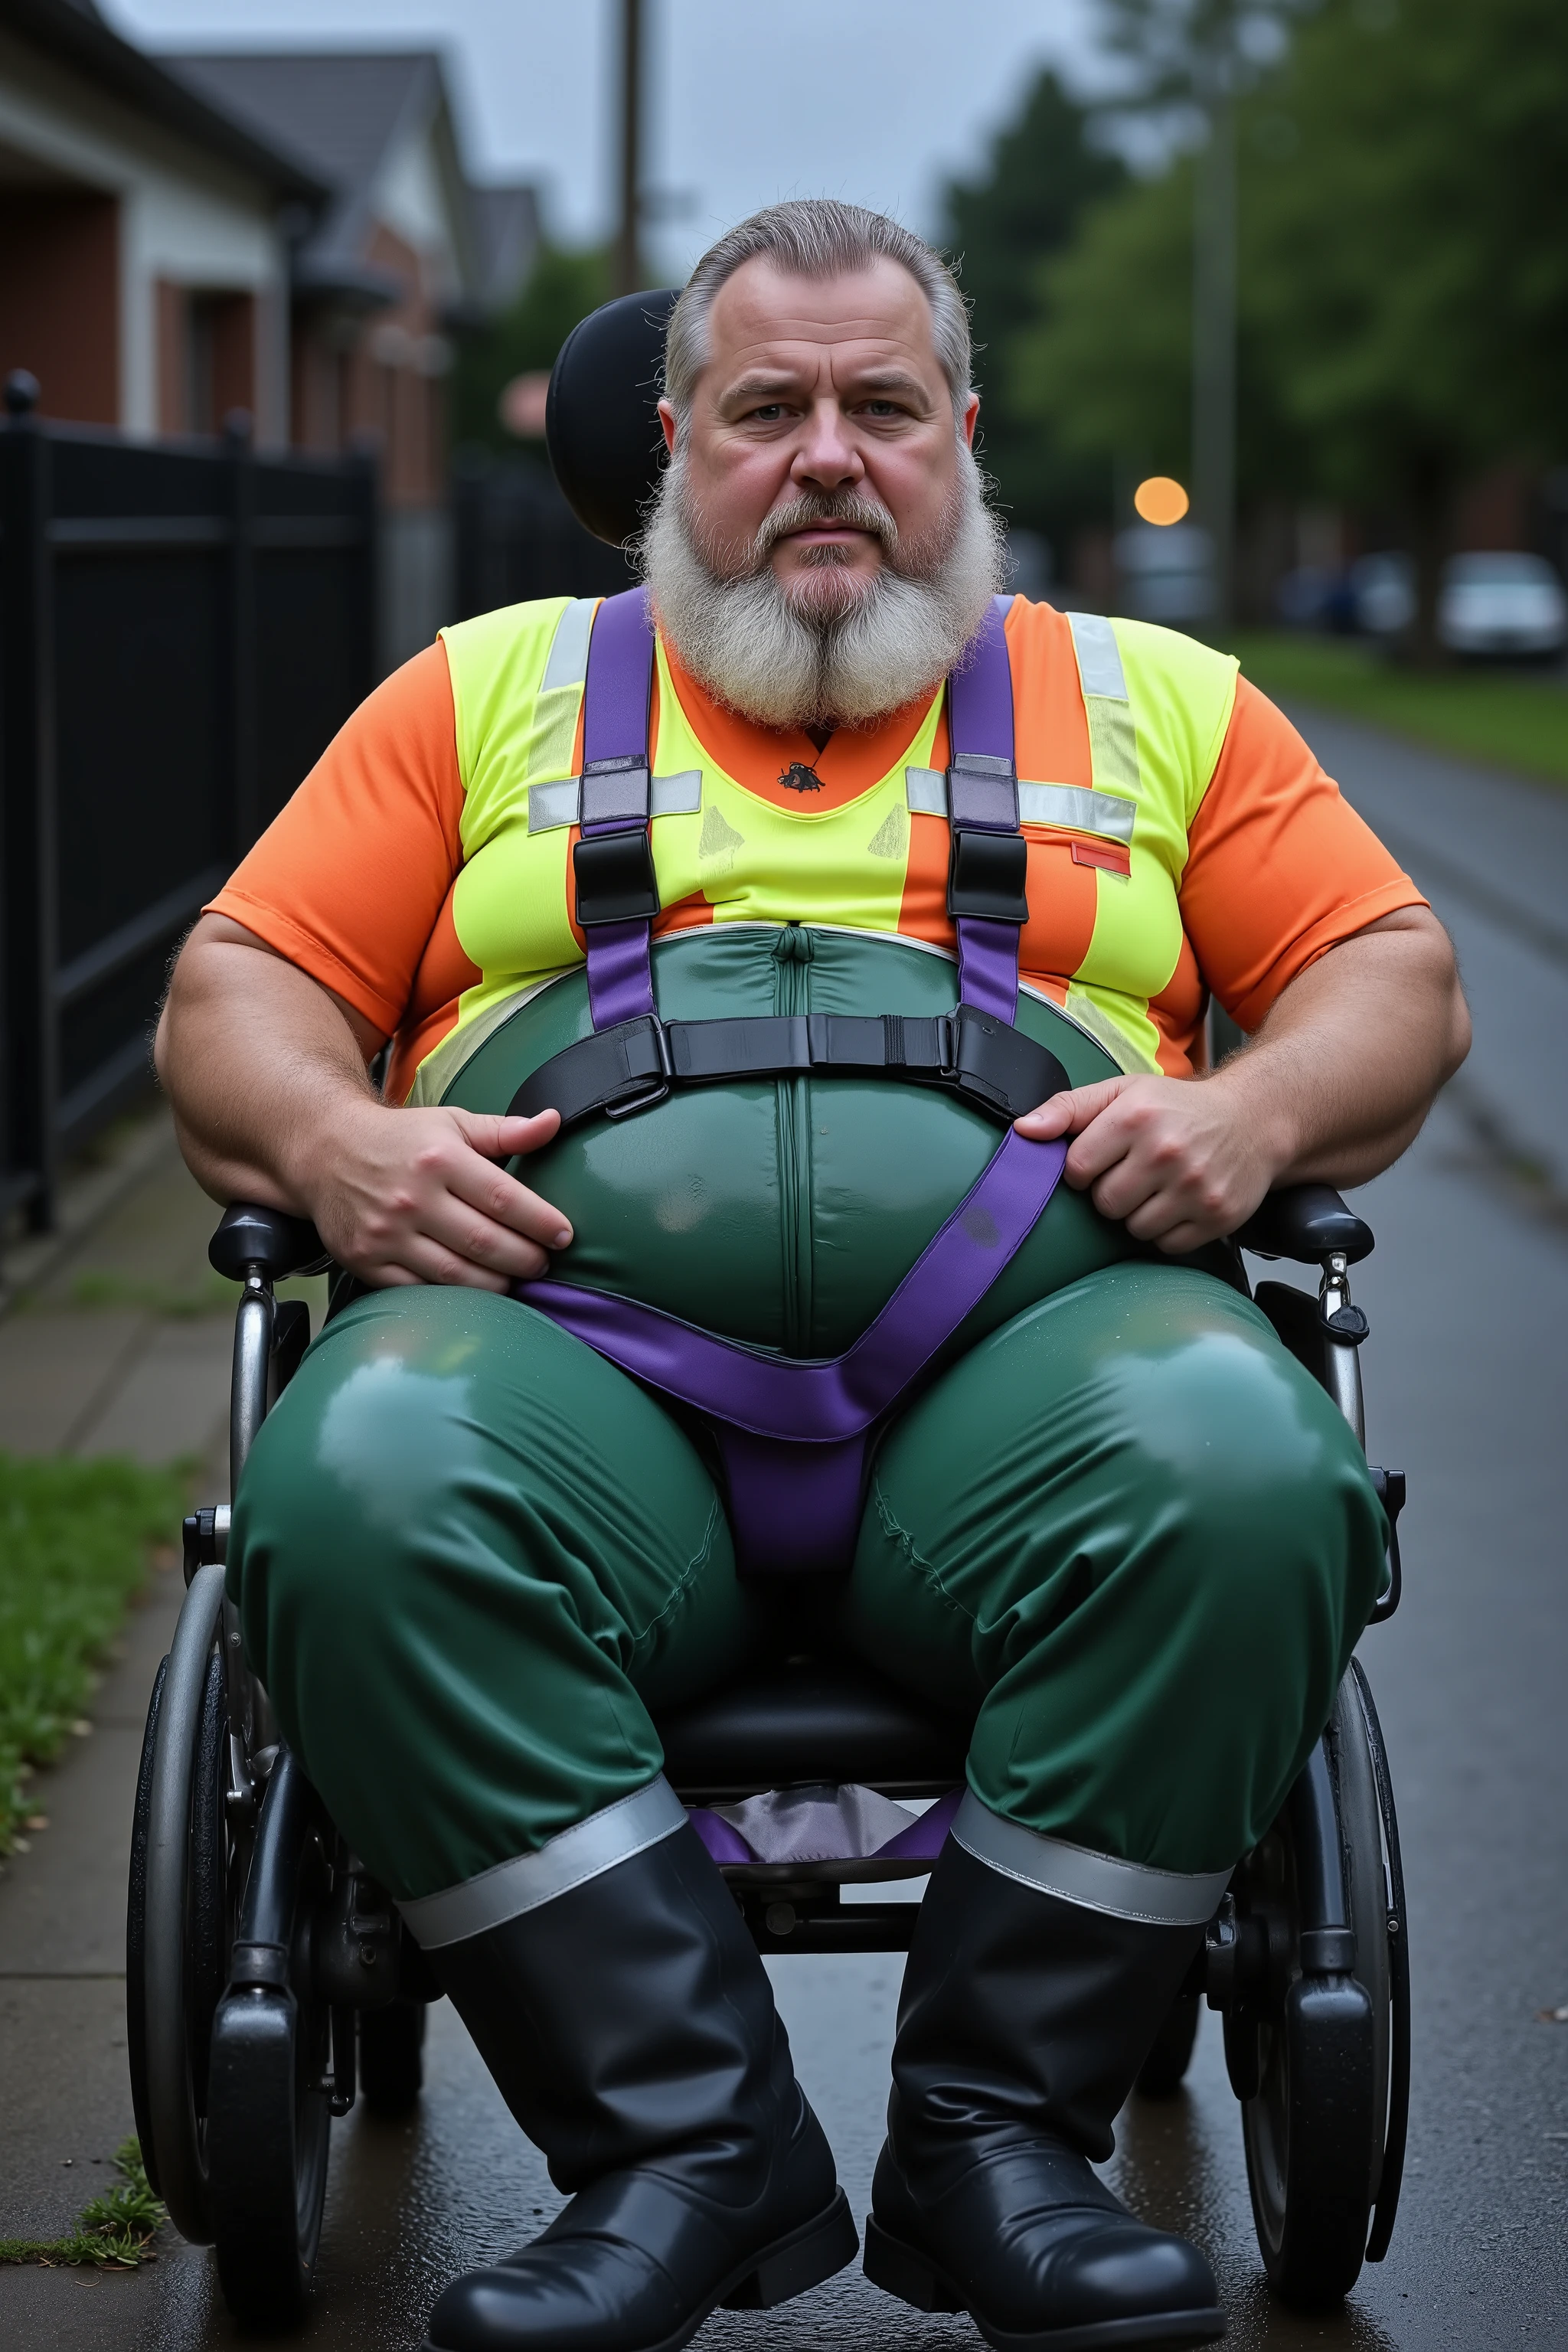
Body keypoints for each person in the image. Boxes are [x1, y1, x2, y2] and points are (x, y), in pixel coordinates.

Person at [156, 200, 1468, 2352]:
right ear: (674, 441)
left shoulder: (1158, 702)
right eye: (768, 409)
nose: (829, 457)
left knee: (1250, 1473)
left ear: (965, 434)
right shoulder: (480, 693)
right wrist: (328, 1139)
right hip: (557, 1378)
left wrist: (1255, 1113)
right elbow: (237, 993)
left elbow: (1390, 980)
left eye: (884, 407)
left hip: (1043, 1375)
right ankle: (684, 2154)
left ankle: (997, 2147)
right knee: (355, 1480)